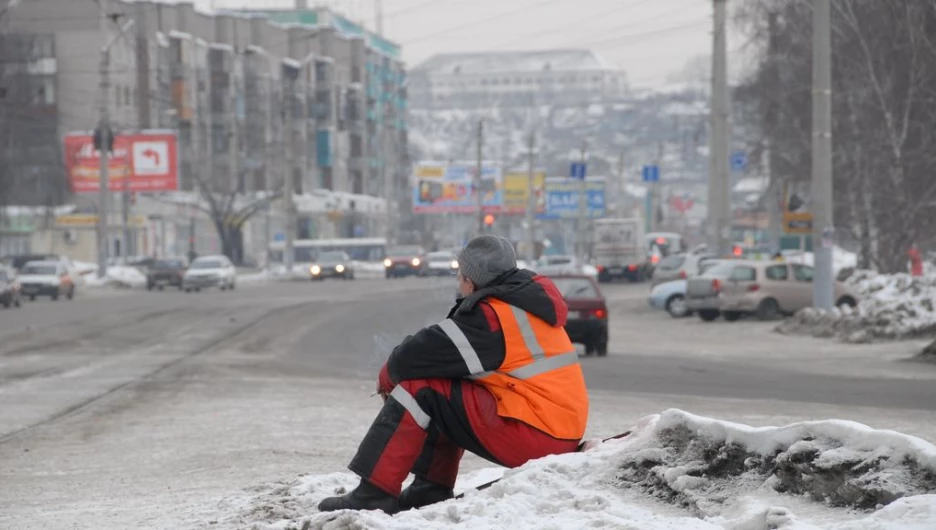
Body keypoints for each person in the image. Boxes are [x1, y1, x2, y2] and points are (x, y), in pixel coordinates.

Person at [318, 235, 590, 514]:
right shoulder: (523, 303)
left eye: (459, 274)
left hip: (538, 435)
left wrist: (388, 374)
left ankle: (373, 494)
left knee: (420, 388)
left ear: (472, 281)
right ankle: (429, 489)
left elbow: (418, 354)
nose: (457, 281)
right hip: (555, 429)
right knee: (444, 385)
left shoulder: (492, 318)